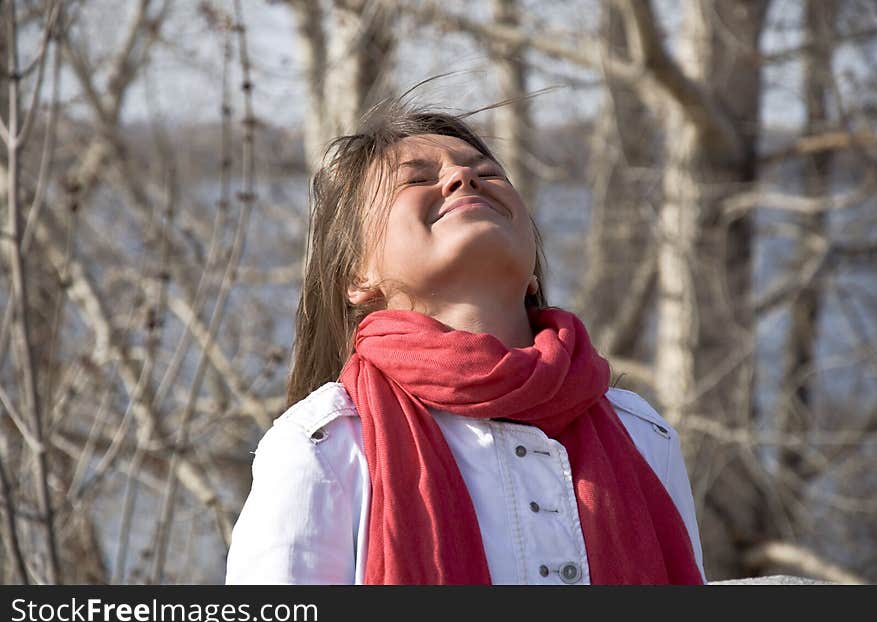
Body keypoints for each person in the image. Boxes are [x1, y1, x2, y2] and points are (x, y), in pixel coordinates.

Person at [225, 97, 706, 585]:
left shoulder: (642, 434)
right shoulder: (325, 445)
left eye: (487, 174)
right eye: (416, 179)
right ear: (359, 277)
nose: (462, 178)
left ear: (532, 272)